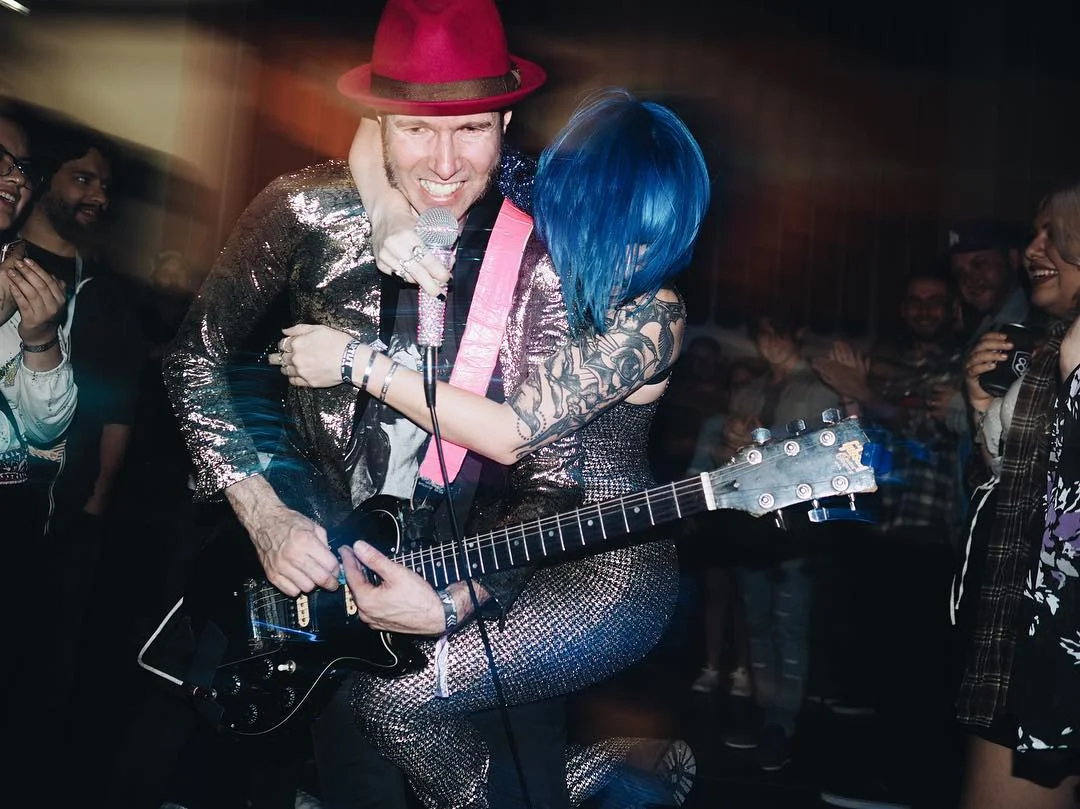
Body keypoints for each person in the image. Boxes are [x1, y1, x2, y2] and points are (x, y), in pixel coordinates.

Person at [278, 82, 710, 809]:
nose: (638, 252)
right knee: (406, 702)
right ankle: (585, 778)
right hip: (515, 540)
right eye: (623, 227)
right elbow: (376, 130)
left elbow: (511, 433)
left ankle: (593, 774)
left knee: (395, 701)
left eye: (655, 235)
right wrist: (388, 215)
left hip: (608, 574)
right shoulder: (540, 205)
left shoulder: (654, 312)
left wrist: (354, 362)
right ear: (576, 199)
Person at [952, 180, 1080, 808]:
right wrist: (982, 404)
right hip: (1030, 628)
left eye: (1054, 231)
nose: (1033, 249)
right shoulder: (1048, 343)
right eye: (1034, 233)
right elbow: (1015, 482)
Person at [716, 311, 840, 772]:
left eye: (778, 330)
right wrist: (731, 444)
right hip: (751, 527)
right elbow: (727, 466)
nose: (770, 340)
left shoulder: (820, 390)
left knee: (788, 627)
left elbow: (830, 459)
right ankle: (767, 714)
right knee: (756, 625)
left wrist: (765, 447)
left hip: (797, 530)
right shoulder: (748, 390)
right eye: (762, 331)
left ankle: (781, 724)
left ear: (798, 332)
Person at [0, 106, 78, 768]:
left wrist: (41, 337)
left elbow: (47, 426)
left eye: (23, 168)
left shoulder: (32, 274)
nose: (14, 179)